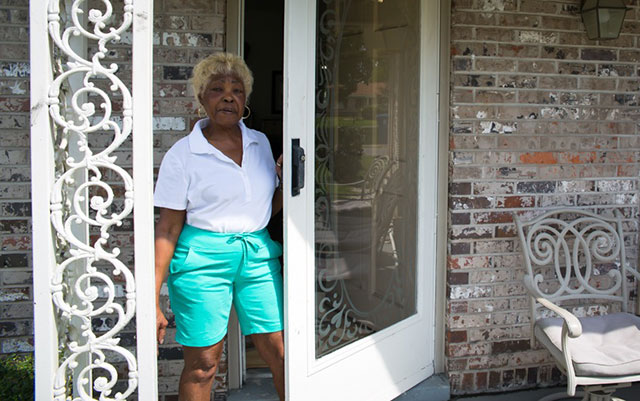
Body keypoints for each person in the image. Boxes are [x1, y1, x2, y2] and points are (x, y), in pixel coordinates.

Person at [154, 52, 285, 401]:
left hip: (256, 256)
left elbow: (261, 209)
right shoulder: (183, 154)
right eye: (217, 89)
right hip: (202, 261)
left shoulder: (260, 144)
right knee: (203, 365)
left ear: (244, 101)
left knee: (284, 355)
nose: (228, 96)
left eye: (237, 90)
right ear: (201, 97)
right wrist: (151, 297)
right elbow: (167, 229)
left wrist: (288, 186)